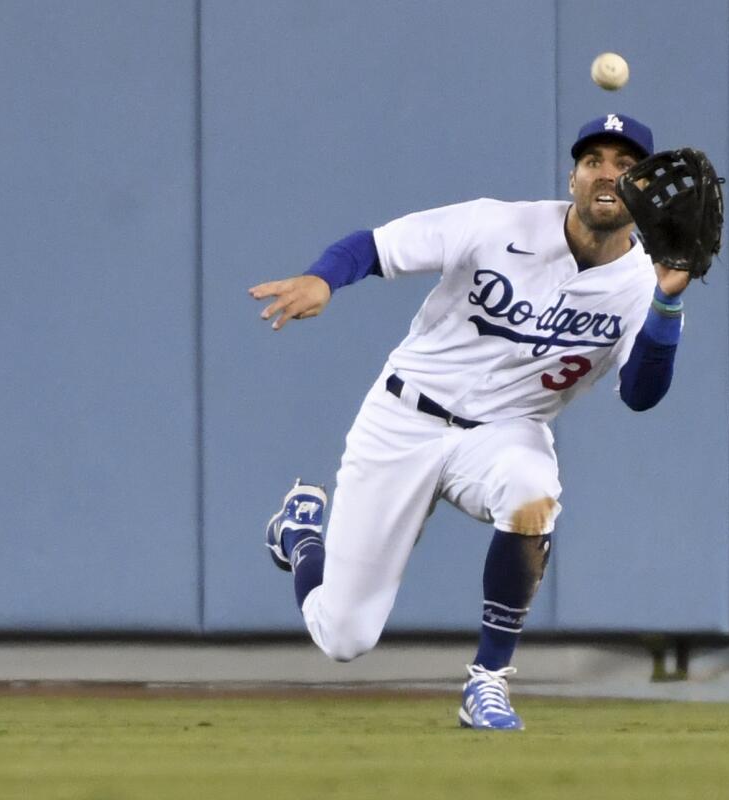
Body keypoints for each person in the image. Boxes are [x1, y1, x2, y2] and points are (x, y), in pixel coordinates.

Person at [250, 113, 693, 730]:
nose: (608, 173)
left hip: (504, 432)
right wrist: (324, 279)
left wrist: (668, 300)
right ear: (573, 177)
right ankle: (300, 536)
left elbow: (642, 395)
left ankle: (487, 683)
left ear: (643, 185)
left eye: (625, 165)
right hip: (404, 416)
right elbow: (375, 246)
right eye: (595, 160)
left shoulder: (641, 284)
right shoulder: (496, 223)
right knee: (343, 637)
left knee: (533, 493)